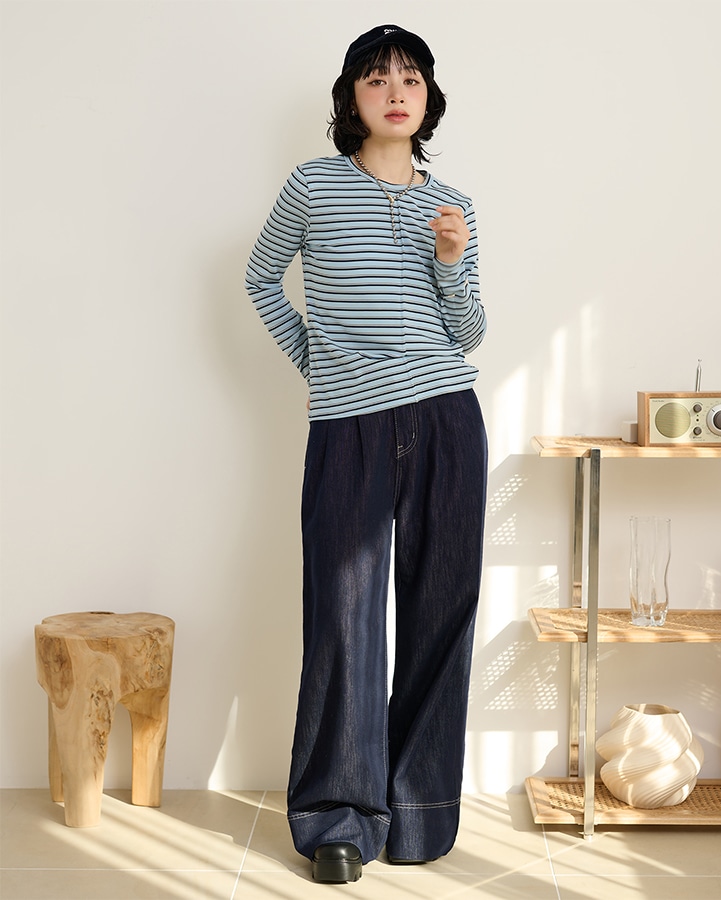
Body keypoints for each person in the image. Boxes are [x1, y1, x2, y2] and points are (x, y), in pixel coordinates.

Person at [244, 24, 488, 884]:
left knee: (441, 610)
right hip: (349, 427)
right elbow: (259, 278)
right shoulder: (313, 186)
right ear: (352, 96)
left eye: (410, 78)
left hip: (447, 418)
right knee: (344, 618)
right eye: (377, 77)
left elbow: (469, 331)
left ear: (428, 99)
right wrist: (323, 365)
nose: (395, 91)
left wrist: (451, 261)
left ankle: (418, 812)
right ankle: (338, 819)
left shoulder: (451, 203)